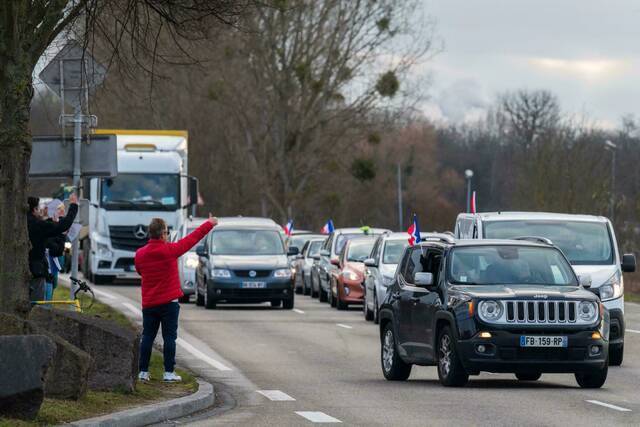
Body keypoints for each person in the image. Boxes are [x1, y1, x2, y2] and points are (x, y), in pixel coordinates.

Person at [134, 214, 217, 382]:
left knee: (147, 336)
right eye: (166, 232)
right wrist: (209, 223)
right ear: (163, 234)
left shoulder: (140, 254)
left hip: (149, 303)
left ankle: (142, 371)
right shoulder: (171, 250)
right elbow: (192, 239)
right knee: (169, 338)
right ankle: (168, 372)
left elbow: (140, 271)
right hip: (169, 303)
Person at [27, 193, 78, 302]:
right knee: (38, 306)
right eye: (39, 208)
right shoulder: (37, 225)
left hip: (33, 270)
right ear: (34, 209)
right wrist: (73, 205)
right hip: (37, 271)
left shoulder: (23, 223)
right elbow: (62, 227)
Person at [44, 199, 68, 301]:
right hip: (48, 261)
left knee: (54, 284)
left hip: (55, 260)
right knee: (49, 285)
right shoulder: (48, 224)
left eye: (63, 210)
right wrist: (61, 236)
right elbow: (54, 247)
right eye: (60, 210)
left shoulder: (60, 223)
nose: (62, 212)